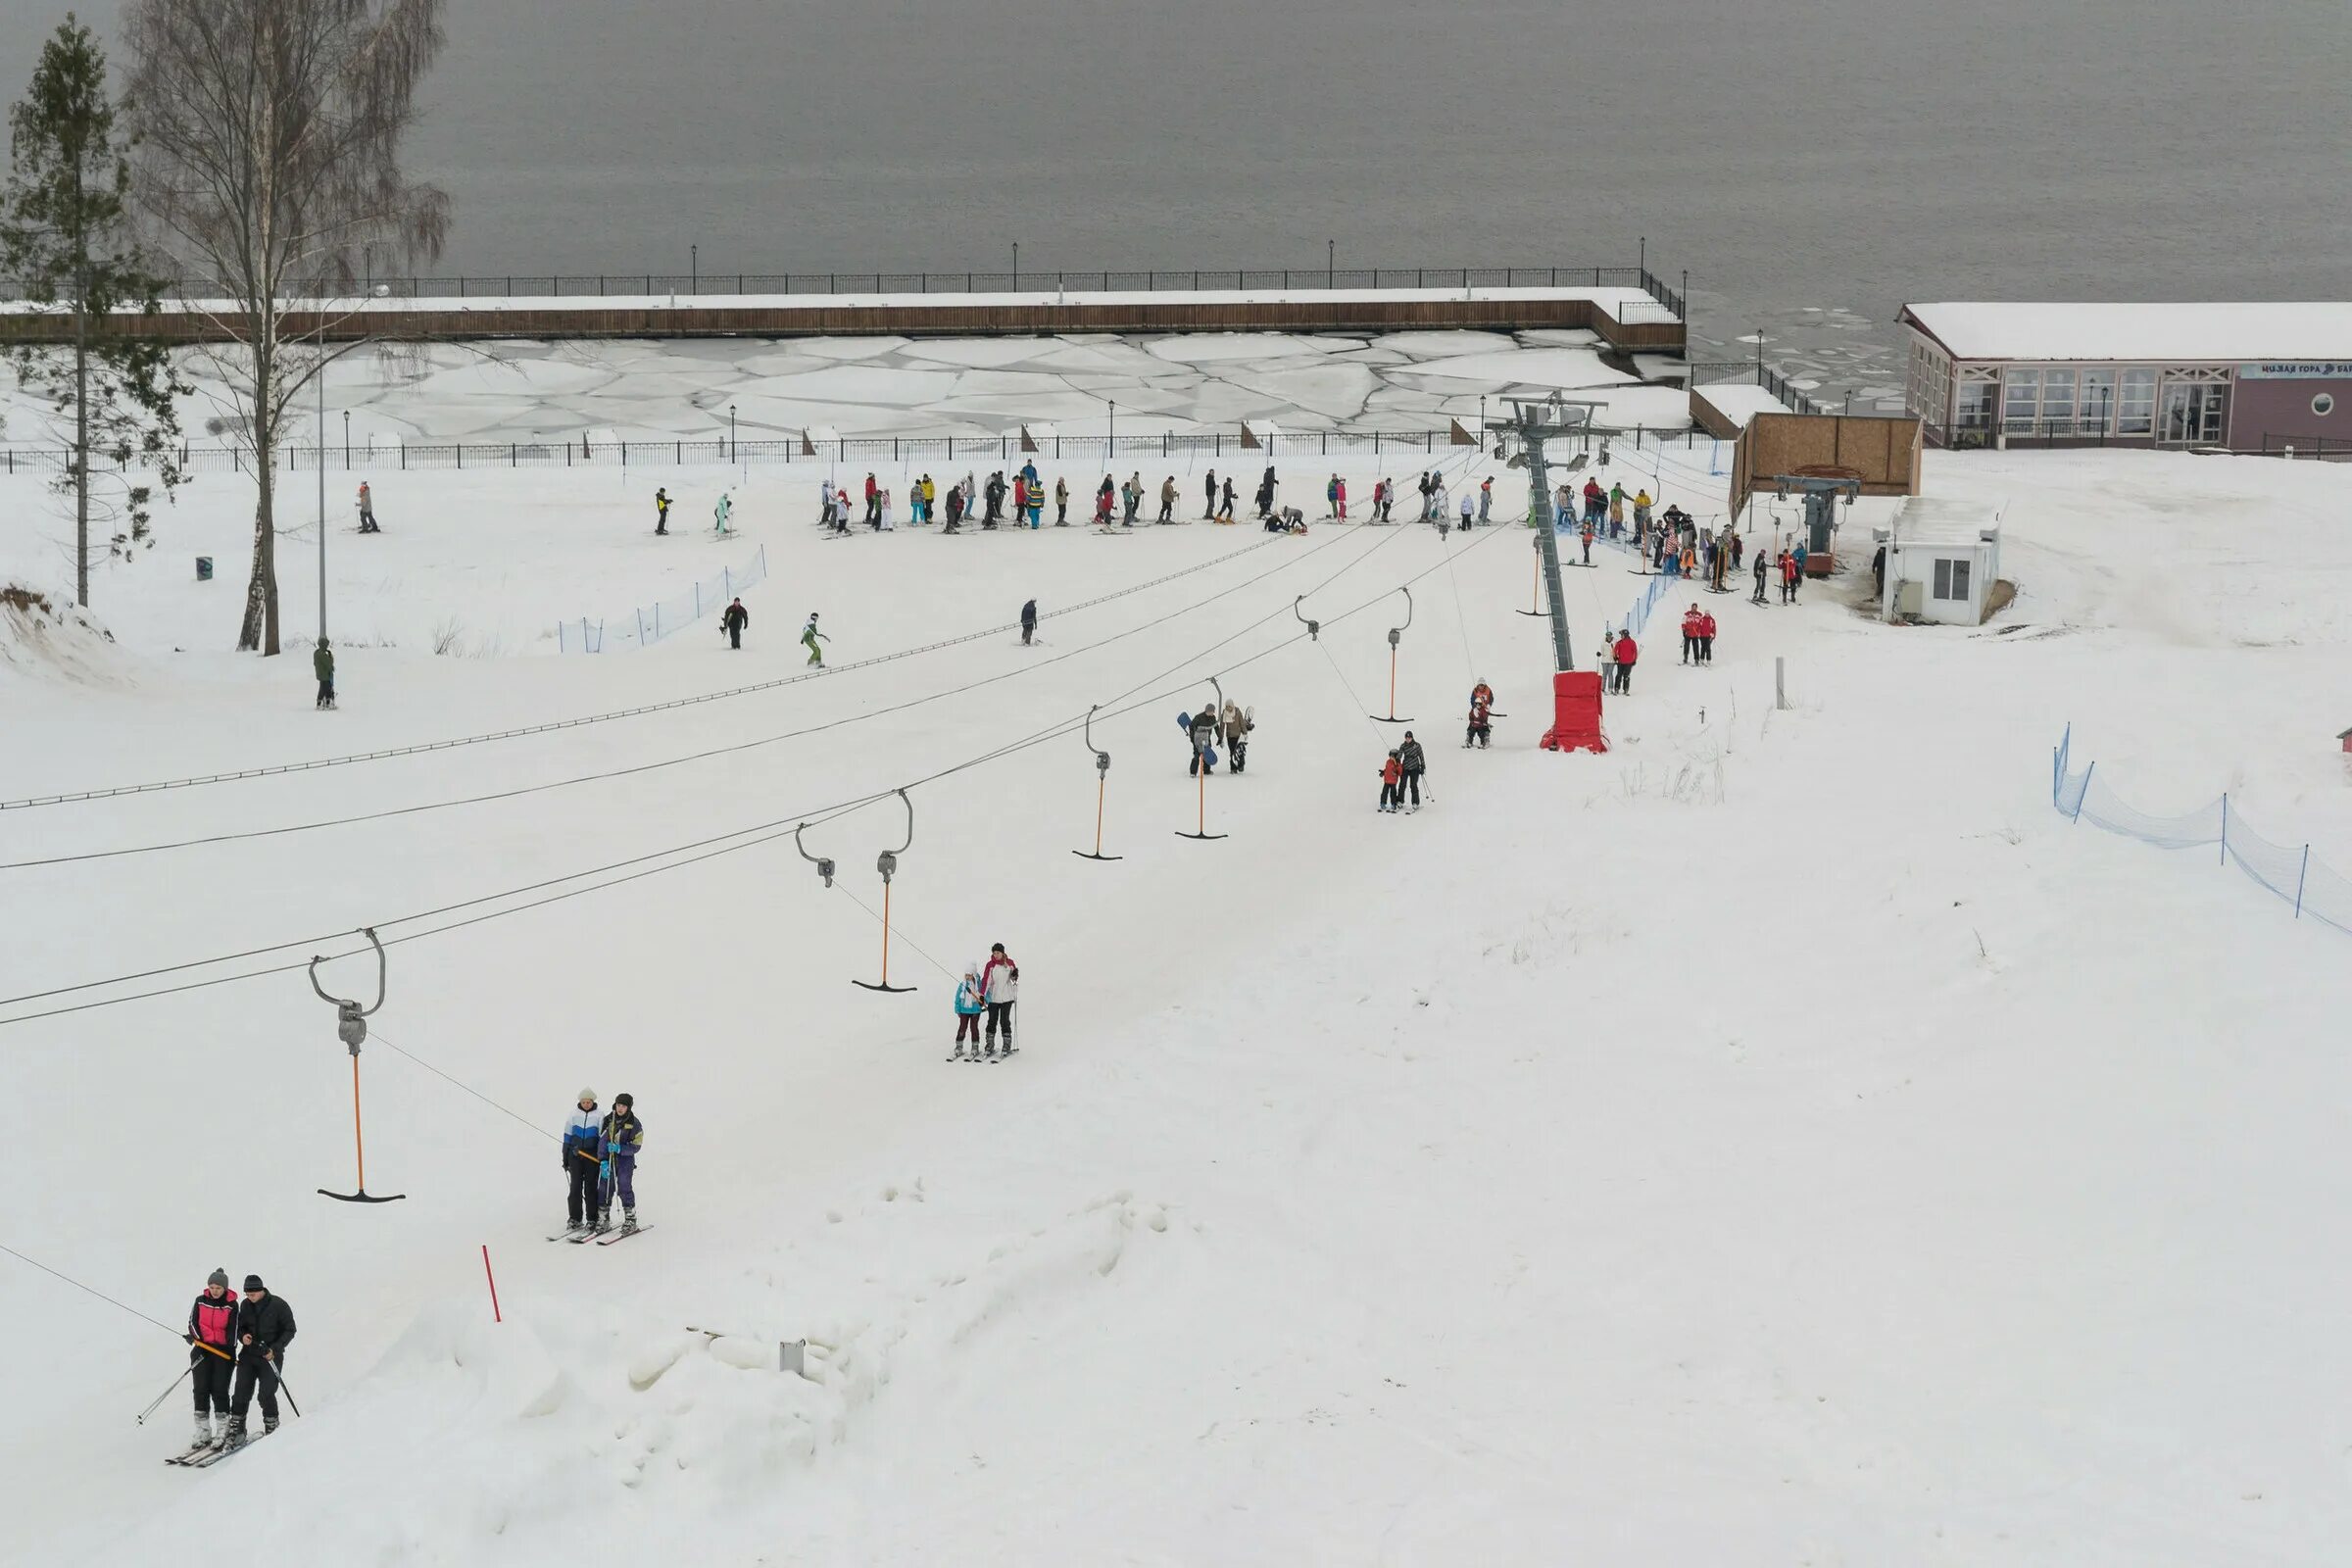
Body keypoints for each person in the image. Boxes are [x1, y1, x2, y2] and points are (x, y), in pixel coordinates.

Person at [224, 1275, 295, 1448]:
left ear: (261, 1290)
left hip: (270, 1356)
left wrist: (275, 1348)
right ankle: (238, 1430)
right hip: (249, 1355)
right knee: (240, 1392)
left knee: (266, 1394)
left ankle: (272, 1427)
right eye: (247, 1294)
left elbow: (290, 1329)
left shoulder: (279, 1305)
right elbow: (240, 1327)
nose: (250, 1297)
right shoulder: (245, 1305)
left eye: (253, 1293)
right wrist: (243, 1337)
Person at [183, 1267, 238, 1452]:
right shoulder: (200, 1301)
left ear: (225, 1288)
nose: (214, 1291)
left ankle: (222, 1430)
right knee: (200, 1389)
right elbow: (192, 1323)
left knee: (219, 1389)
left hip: (223, 1353)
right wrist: (198, 1340)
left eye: (218, 1288)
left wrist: (224, 1348)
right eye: (212, 1287)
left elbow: (233, 1330)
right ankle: (203, 1431)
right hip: (202, 1351)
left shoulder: (232, 1305)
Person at [600, 1093, 645, 1234]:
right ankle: (603, 1219)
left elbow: (637, 1145)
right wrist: (603, 1161)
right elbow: (602, 1141)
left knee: (624, 1187)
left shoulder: (634, 1124)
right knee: (605, 1187)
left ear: (628, 1107)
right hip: (610, 1158)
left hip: (625, 1160)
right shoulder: (609, 1119)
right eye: (618, 1105)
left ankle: (630, 1220)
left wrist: (620, 1148)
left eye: (623, 1106)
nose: (620, 1108)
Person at [563, 1089, 604, 1232]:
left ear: (593, 1102)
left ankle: (592, 1219)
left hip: (592, 1157)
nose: (586, 1104)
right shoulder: (573, 1115)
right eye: (583, 1102)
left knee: (590, 1187)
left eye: (589, 1102)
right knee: (575, 1187)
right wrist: (565, 1157)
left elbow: (602, 1138)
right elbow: (567, 1136)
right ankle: (575, 1218)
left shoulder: (599, 1115)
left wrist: (601, 1156)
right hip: (575, 1156)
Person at [980, 943, 1019, 1058]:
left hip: (1007, 998)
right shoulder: (990, 965)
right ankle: (989, 1045)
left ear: (1002, 953)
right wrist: (982, 994)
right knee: (992, 1021)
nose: (996, 955)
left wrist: (1015, 975)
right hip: (994, 998)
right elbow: (986, 980)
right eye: (994, 953)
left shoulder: (1010, 963)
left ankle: (1006, 1045)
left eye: (998, 953)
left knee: (1004, 1021)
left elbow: (1014, 979)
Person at [953, 964, 986, 1058]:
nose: (967, 977)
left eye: (970, 975)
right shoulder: (962, 985)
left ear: (974, 975)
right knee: (962, 1028)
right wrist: (957, 1009)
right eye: (966, 975)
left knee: (974, 1028)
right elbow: (958, 998)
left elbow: (985, 994)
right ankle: (959, 1046)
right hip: (964, 1011)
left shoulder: (979, 985)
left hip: (975, 1011)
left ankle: (975, 1047)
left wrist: (984, 1000)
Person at [1396, 732, 1426, 812]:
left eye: (1409, 738)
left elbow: (1421, 755)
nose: (1408, 739)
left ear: (1412, 738)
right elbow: (1400, 753)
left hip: (1415, 768)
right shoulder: (1403, 745)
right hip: (1405, 767)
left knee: (1413, 785)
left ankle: (1415, 802)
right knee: (1402, 784)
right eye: (1406, 738)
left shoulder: (1417, 745)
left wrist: (1423, 766)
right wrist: (1398, 759)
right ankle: (1400, 801)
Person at [1611, 629, 1639, 694]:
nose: (1621, 636)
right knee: (1621, 676)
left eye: (1622, 635)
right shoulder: (1620, 642)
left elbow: (1635, 651)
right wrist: (1615, 657)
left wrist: (1634, 660)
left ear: (1625, 635)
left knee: (1624, 676)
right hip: (1621, 662)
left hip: (1628, 663)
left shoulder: (1631, 642)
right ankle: (1618, 688)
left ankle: (1625, 688)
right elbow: (1615, 650)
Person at [313, 638, 335, 710]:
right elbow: (329, 663)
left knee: (327, 688)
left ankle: (328, 702)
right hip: (325, 674)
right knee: (324, 688)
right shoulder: (322, 654)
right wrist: (330, 656)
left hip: (320, 673)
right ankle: (320, 703)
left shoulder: (316, 652)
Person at [1378, 749, 1402, 813]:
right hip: (1386, 781)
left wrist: (1397, 767)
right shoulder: (1388, 761)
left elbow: (1400, 773)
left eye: (1393, 756)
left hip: (1393, 782)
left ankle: (1393, 804)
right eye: (1390, 756)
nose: (1391, 757)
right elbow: (1387, 769)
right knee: (1384, 793)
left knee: (1393, 793)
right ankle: (1383, 803)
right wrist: (1383, 772)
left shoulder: (1398, 763)